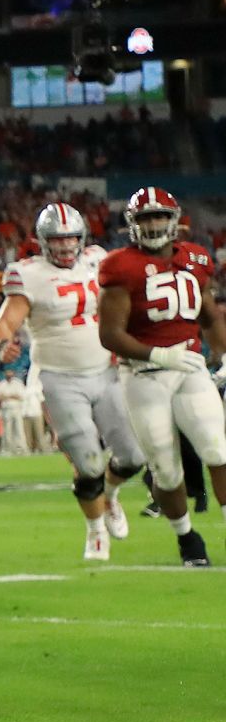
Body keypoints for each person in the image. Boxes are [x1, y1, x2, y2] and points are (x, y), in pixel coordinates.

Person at [0, 203, 141, 560]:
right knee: (87, 463)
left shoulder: (97, 259)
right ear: (43, 242)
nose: (65, 246)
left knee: (134, 455)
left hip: (106, 371)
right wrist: (1, 345)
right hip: (58, 377)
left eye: (71, 237)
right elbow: (5, 323)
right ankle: (95, 531)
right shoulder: (28, 274)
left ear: (82, 237)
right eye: (57, 240)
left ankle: (111, 496)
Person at [97, 187, 226, 567]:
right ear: (132, 224)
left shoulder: (196, 258)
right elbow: (110, 334)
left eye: (158, 216)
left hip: (189, 367)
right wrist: (157, 353)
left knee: (217, 448)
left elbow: (208, 315)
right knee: (166, 470)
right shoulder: (120, 265)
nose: (153, 224)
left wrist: (224, 353)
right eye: (144, 218)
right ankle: (186, 537)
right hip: (144, 373)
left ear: (174, 220)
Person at [0, 369, 27, 453]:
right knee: (7, 430)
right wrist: (13, 395)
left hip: (17, 409)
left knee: (19, 429)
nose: (8, 374)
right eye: (7, 372)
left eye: (10, 372)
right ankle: (7, 448)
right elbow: (0, 397)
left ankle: (21, 448)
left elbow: (21, 396)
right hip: (6, 410)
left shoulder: (18, 383)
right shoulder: (2, 383)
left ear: (13, 373)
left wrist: (7, 396)